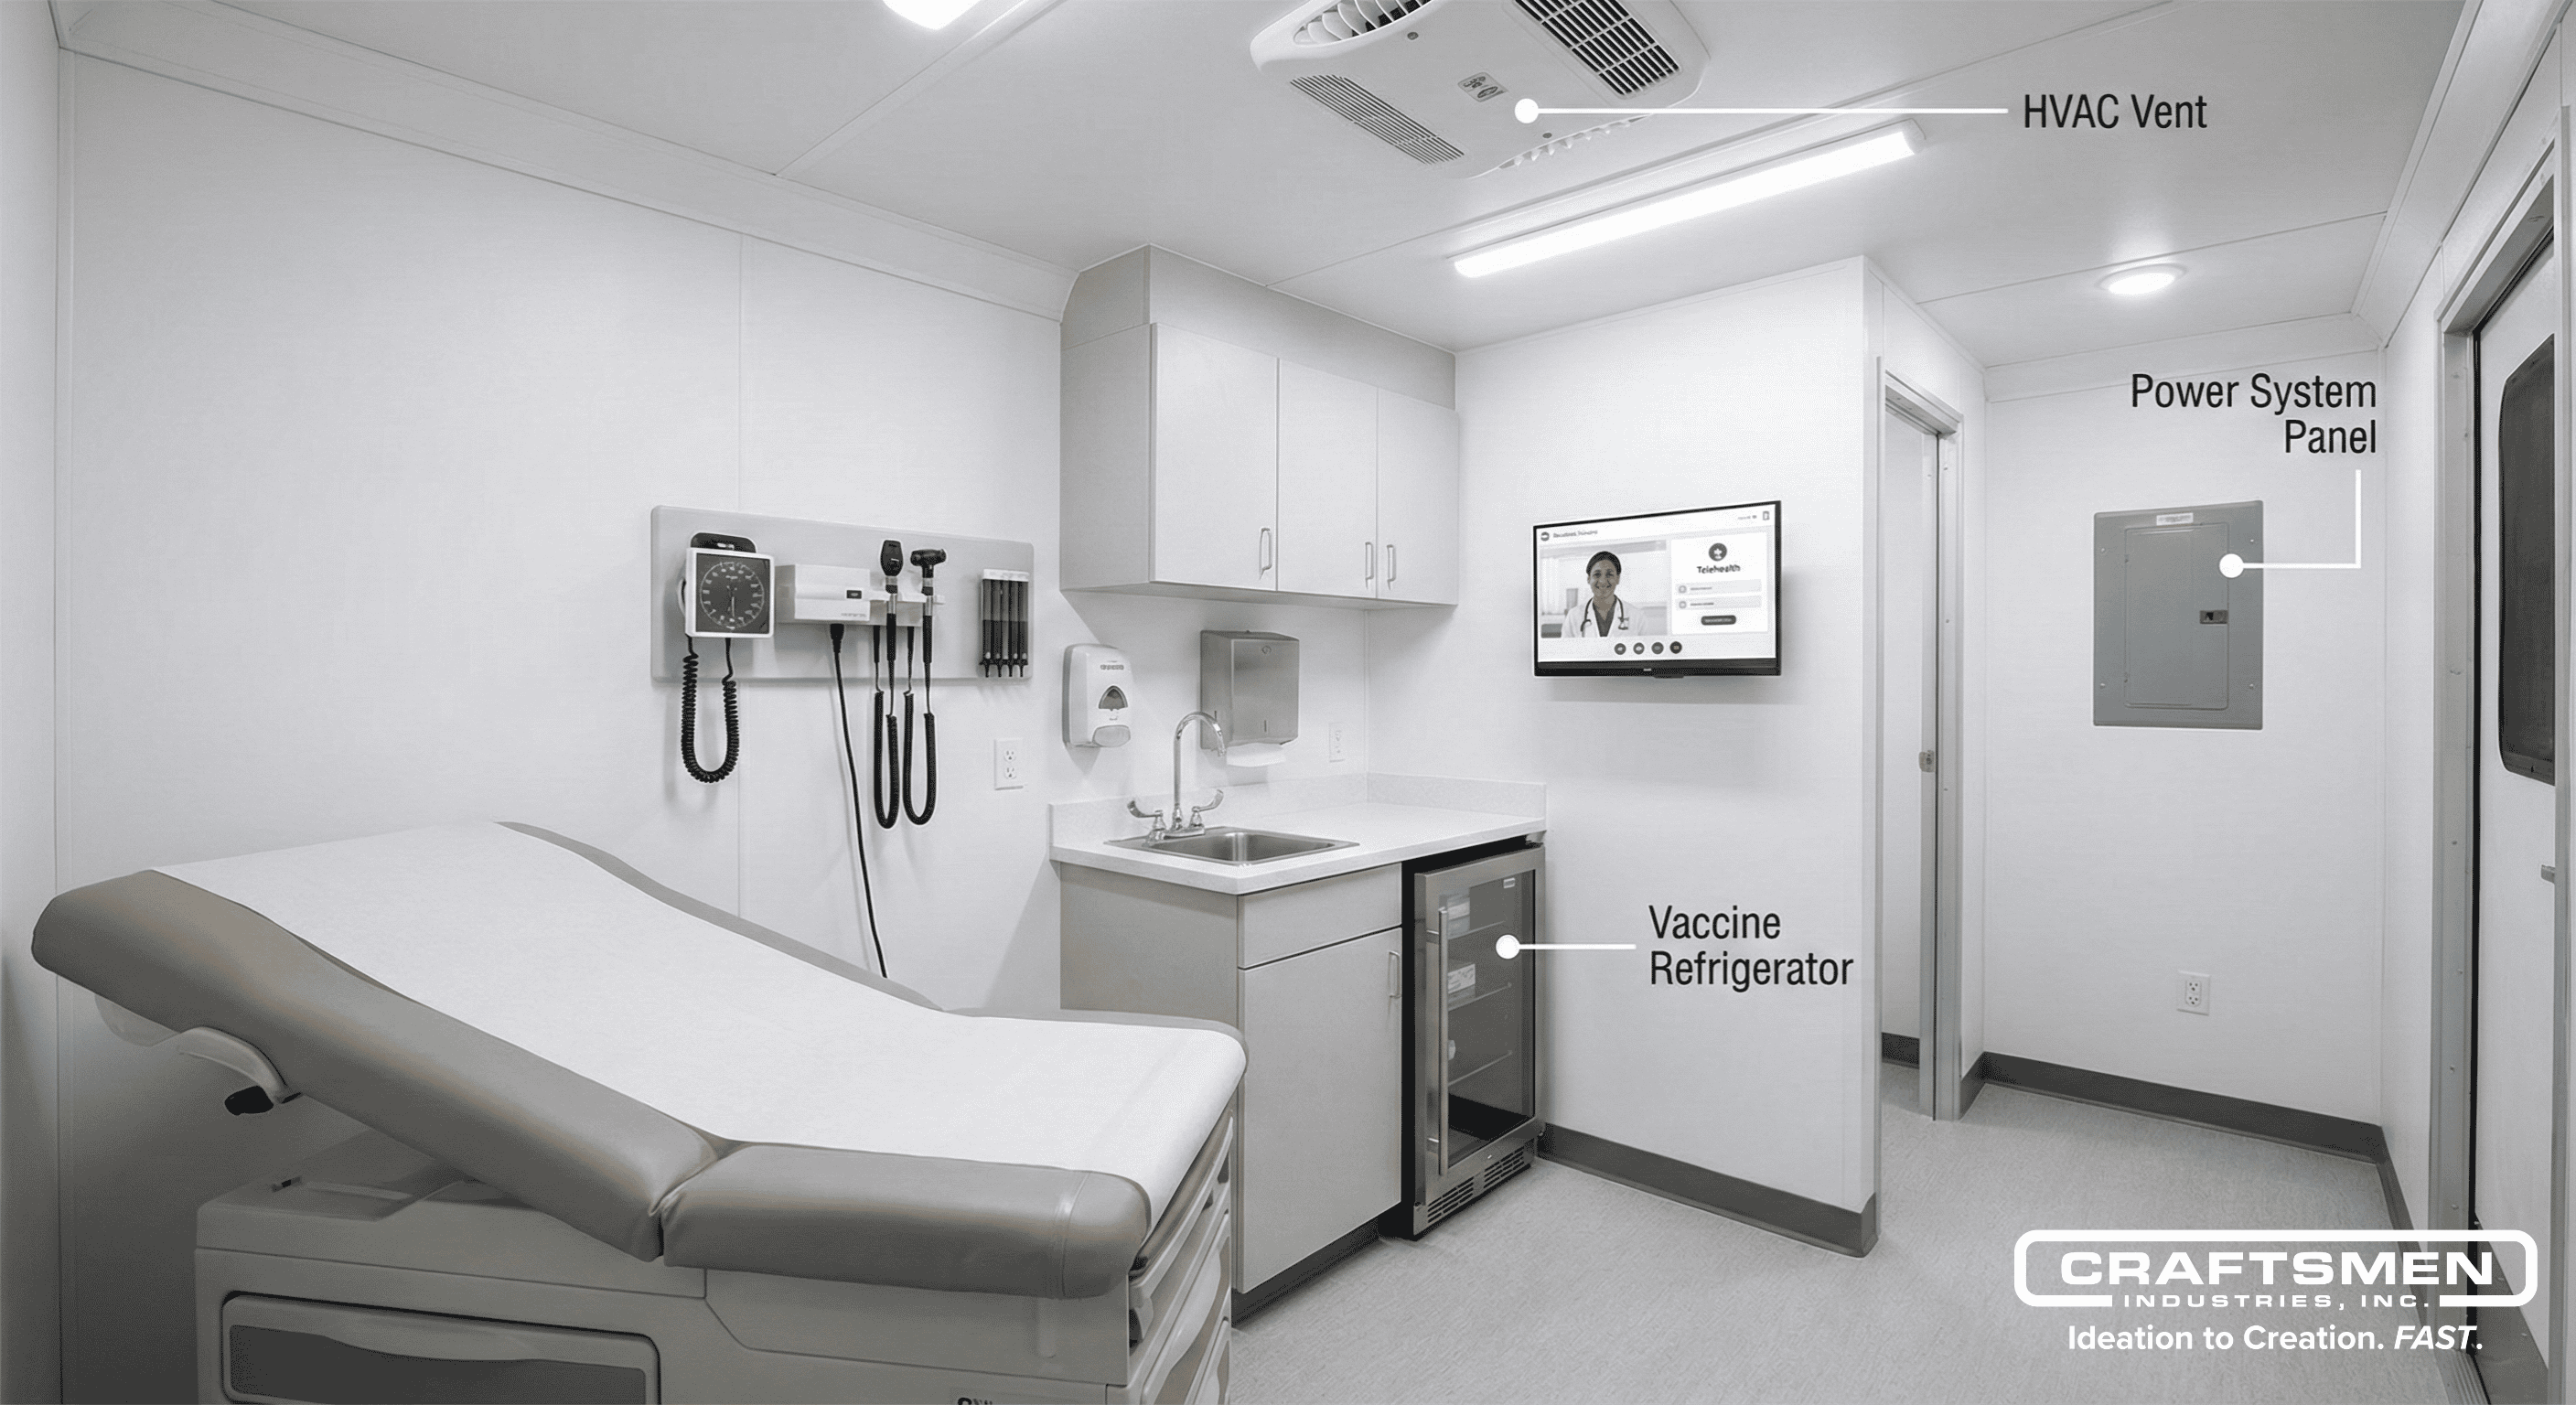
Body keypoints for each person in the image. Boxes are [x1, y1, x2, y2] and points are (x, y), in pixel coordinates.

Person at [1562, 550, 1635, 638]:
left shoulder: (1636, 616)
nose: (1603, 581)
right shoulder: (1574, 616)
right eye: (1597, 575)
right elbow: (1565, 650)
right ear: (1588, 579)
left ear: (1618, 579)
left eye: (1609, 574)